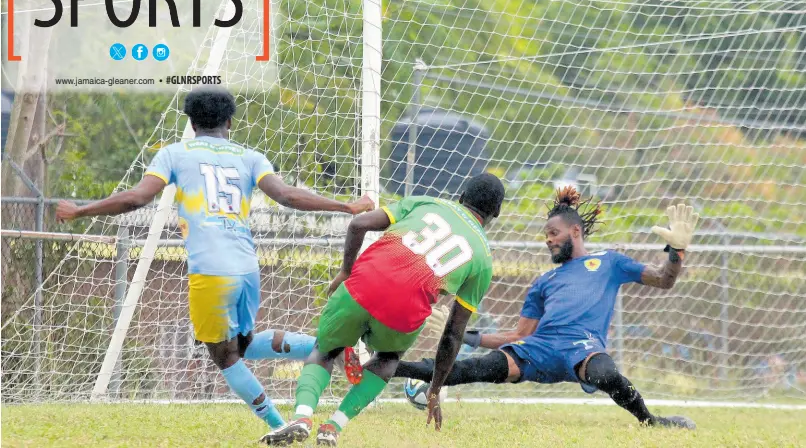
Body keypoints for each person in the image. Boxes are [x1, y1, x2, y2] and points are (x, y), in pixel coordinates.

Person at [55, 86, 373, 430]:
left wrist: (81, 210)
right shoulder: (250, 157)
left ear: (191, 123)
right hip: (247, 267)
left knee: (225, 356)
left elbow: (136, 198)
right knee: (246, 344)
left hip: (211, 272)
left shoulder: (175, 154)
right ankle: (329, 347)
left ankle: (279, 425)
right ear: (230, 122)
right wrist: (344, 206)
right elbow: (286, 195)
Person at [394, 187, 699, 430]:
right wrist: (462, 336)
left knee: (607, 374)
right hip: (537, 352)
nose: (548, 241)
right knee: (462, 372)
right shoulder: (544, 281)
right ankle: (383, 367)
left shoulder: (609, 262)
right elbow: (518, 335)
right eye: (546, 236)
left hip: (582, 349)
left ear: (575, 231)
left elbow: (663, 280)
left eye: (554, 234)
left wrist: (677, 251)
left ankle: (651, 421)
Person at [261, 173, 506, 446]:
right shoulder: (483, 260)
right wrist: (435, 388)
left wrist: (345, 271)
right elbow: (453, 332)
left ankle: (302, 416)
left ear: (461, 196)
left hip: (362, 286)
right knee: (388, 358)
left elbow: (358, 224)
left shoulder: (426, 203)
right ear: (496, 212)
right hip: (404, 312)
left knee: (325, 349)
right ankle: (333, 426)